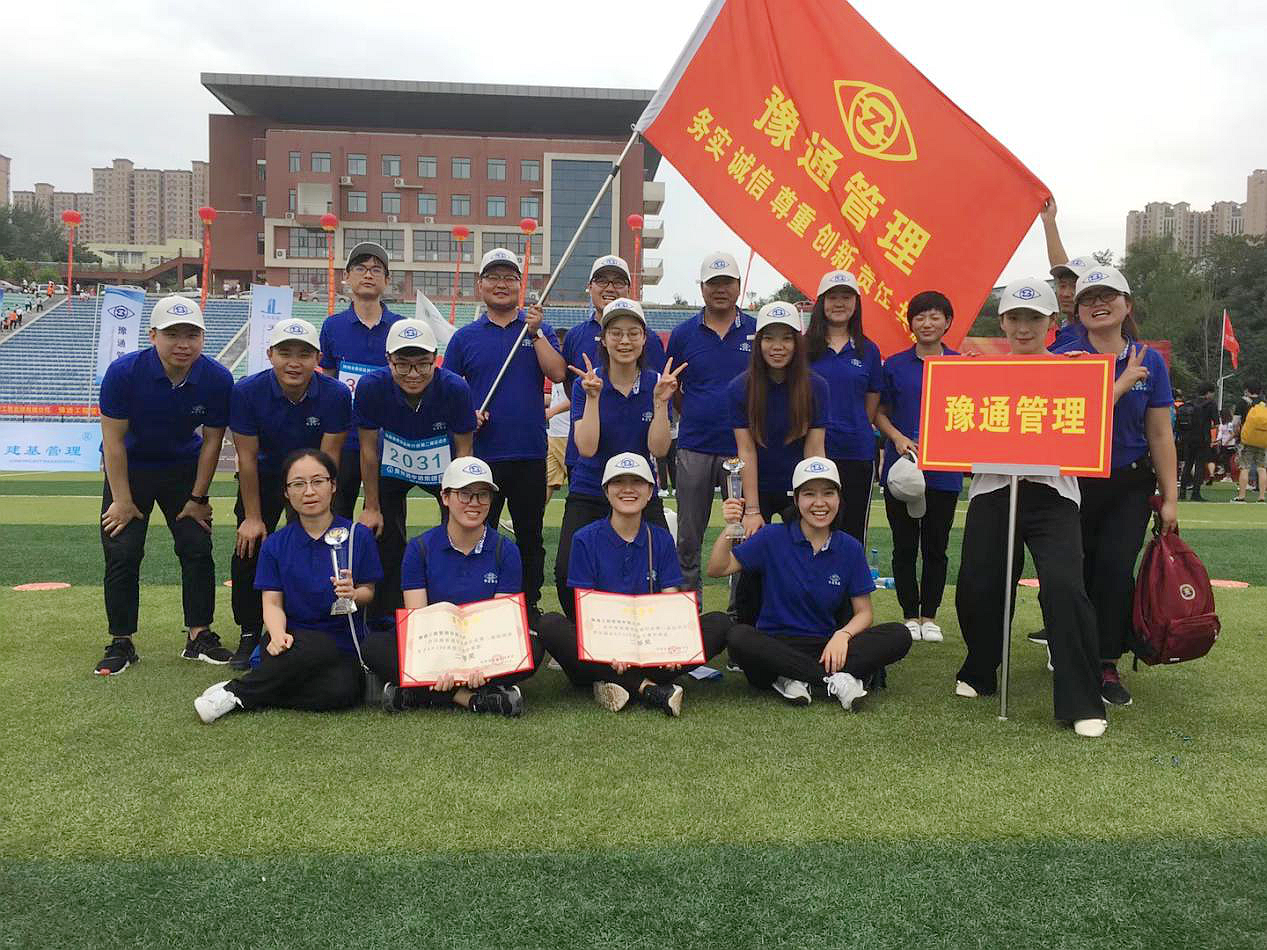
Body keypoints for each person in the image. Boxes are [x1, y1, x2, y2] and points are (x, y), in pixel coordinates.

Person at [953, 278, 1108, 737]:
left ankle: (1082, 700)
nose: (1024, 328)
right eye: (1015, 318)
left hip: (1053, 495)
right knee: (979, 584)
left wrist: (1088, 381)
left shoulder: (1073, 370)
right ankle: (980, 668)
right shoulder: (980, 371)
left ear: (1052, 323)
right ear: (1002, 322)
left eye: (1034, 319)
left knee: (1064, 587)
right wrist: (960, 380)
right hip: (993, 489)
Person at [1052, 265, 1177, 707]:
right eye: (1088, 298)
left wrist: (1170, 498)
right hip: (1073, 483)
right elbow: (1067, 416)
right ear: (1077, 311)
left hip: (1129, 483)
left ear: (1127, 305)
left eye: (1108, 296)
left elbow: (1159, 433)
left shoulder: (1149, 360)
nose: (1098, 304)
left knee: (1114, 569)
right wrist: (1120, 385)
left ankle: (1106, 661)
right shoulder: (1065, 355)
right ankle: (1071, 651)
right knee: (1073, 573)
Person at [95, 295, 234, 676]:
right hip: (131, 468)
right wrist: (121, 499)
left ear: (202, 338)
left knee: (196, 546)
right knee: (123, 551)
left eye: (192, 335)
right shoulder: (124, 373)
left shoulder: (217, 378)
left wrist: (198, 497)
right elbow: (113, 442)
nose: (183, 344)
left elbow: (212, 441)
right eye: (173, 334)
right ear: (153, 335)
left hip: (182, 469)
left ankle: (199, 635)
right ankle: (121, 641)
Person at [193, 449, 382, 723]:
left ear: (333, 486)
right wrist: (277, 634)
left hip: (342, 643)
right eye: (298, 484)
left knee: (342, 692)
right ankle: (235, 693)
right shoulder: (275, 544)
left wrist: (353, 594)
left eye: (318, 481)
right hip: (290, 641)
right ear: (286, 492)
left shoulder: (357, 536)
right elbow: (272, 602)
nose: (309, 491)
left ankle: (251, 690)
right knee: (317, 648)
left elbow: (369, 591)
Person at [707, 457, 911, 710]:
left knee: (899, 634)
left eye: (828, 493)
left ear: (839, 498)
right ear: (796, 500)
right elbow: (717, 568)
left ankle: (794, 677)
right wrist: (730, 526)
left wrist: (843, 635)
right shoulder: (771, 537)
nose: (819, 503)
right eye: (809, 494)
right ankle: (833, 679)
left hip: (826, 646)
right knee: (739, 637)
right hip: (774, 645)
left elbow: (864, 612)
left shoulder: (850, 548)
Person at [538, 453, 730, 717]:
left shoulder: (660, 539)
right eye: (618, 482)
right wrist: (611, 649)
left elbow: (670, 601)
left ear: (650, 492)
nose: (628, 489)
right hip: (604, 646)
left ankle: (613, 681)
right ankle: (648, 688)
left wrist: (673, 645)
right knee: (549, 624)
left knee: (719, 623)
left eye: (637, 482)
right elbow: (586, 609)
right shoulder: (584, 538)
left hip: (650, 648)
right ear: (606, 491)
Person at [442, 248, 566, 625]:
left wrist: (536, 332)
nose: (501, 284)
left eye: (509, 277)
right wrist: (466, 414)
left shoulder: (535, 330)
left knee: (530, 537)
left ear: (520, 285)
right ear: (480, 285)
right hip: (482, 458)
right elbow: (448, 392)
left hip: (529, 453)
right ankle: (478, 604)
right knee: (478, 533)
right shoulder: (465, 337)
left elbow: (558, 373)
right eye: (493, 277)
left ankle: (528, 607)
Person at [361, 456, 540, 717]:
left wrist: (477, 664)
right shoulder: (420, 548)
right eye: (464, 494)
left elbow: (499, 622)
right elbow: (419, 621)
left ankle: (419, 693)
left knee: (533, 648)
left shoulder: (506, 550)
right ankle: (471, 698)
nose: (474, 503)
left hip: (484, 647)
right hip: (435, 645)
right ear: (445, 497)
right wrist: (443, 663)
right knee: (374, 647)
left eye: (482, 495)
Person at [227, 318, 352, 669]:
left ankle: (320, 624)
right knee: (249, 546)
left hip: (314, 479)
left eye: (304, 354)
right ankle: (250, 631)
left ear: (318, 358)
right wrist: (253, 518)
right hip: (264, 478)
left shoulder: (336, 394)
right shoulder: (246, 392)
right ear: (270, 354)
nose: (294, 363)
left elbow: (329, 459)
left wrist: (318, 507)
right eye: (285, 353)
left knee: (322, 547)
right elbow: (246, 459)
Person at [554, 298, 681, 617]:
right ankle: (583, 631)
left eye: (633, 333)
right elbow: (586, 447)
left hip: (638, 489)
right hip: (590, 487)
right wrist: (593, 398)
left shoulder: (656, 383)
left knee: (661, 564)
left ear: (644, 338)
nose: (625, 341)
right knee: (565, 568)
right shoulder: (588, 383)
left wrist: (661, 403)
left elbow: (659, 449)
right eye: (616, 333)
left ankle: (651, 631)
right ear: (604, 339)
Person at [353, 319, 476, 625]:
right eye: (402, 364)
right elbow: (368, 450)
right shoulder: (370, 387)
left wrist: (461, 505)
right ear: (388, 360)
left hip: (444, 468)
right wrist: (371, 506)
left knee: (456, 536)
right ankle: (386, 617)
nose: (413, 374)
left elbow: (464, 452)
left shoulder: (455, 388)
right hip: (391, 466)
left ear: (435, 359)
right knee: (386, 536)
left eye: (422, 364)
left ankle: (451, 607)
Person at [729, 300, 829, 623]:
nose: (778, 346)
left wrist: (814, 498)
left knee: (799, 557)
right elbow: (746, 450)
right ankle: (744, 625)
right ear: (758, 343)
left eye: (786, 338)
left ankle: (801, 624)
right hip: (755, 485)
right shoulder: (740, 387)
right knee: (752, 556)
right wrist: (752, 511)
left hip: (797, 486)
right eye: (769, 338)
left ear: (797, 343)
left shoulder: (816, 387)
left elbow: (815, 449)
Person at [873, 290, 962, 643]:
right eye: (920, 317)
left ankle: (930, 616)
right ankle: (910, 614)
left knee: (936, 547)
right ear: (910, 323)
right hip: (903, 470)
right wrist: (897, 438)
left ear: (947, 322)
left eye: (935, 316)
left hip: (944, 471)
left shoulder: (961, 364)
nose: (927, 323)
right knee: (905, 547)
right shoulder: (894, 366)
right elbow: (879, 413)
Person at [665, 251, 756, 596]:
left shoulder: (757, 331)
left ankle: (739, 610)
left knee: (743, 534)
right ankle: (689, 607)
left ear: (738, 286)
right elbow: (674, 389)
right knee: (689, 535)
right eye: (713, 283)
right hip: (695, 447)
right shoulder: (683, 334)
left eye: (727, 283)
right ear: (702, 287)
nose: (720, 289)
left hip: (742, 451)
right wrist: (697, 413)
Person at [317, 241, 403, 518]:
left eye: (376, 270)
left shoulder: (401, 328)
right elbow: (328, 382)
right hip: (344, 441)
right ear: (347, 276)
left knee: (388, 521)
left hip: (390, 443)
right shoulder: (332, 326)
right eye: (360, 268)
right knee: (336, 517)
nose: (368, 275)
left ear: (386, 279)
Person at [805, 270, 883, 544]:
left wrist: (852, 426)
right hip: (812, 452)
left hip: (856, 452)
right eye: (832, 297)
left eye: (846, 297)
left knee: (852, 531)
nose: (839, 303)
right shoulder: (804, 347)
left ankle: (850, 574)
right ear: (821, 303)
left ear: (856, 304)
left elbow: (870, 404)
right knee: (812, 528)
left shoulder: (868, 350)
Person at [1178, 382, 1218, 501]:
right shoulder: (1210, 404)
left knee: (1187, 465)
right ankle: (1196, 493)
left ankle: (1182, 492)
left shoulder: (1189, 403)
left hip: (1188, 438)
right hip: (1202, 438)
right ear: (1208, 393)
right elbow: (1216, 423)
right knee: (1199, 465)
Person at [1231, 382, 1266, 503]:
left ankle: (1241, 496)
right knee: (1262, 468)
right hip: (1262, 439)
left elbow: (1235, 423)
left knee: (1245, 467)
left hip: (1247, 439)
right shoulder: (1264, 403)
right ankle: (1261, 496)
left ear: (1246, 390)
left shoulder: (1242, 402)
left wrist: (1236, 435)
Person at [545, 379, 570, 503]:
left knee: (580, 481)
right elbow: (556, 398)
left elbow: (576, 398)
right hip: (554, 434)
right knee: (546, 482)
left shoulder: (571, 373)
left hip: (566, 435)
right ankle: (532, 515)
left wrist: (551, 411)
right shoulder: (557, 375)